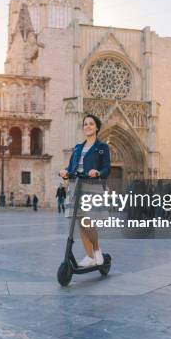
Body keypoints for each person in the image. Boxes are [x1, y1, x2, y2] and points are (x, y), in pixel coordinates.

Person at [59, 114, 111, 268]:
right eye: (85, 124)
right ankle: (90, 256)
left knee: (88, 222)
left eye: (91, 124)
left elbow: (107, 167)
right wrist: (65, 172)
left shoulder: (102, 147)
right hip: (76, 185)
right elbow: (71, 167)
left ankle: (96, 251)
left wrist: (98, 172)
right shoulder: (77, 148)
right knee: (81, 223)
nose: (87, 126)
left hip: (91, 185)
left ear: (96, 127)